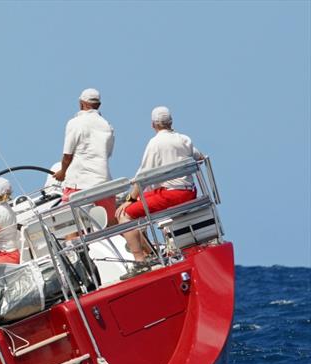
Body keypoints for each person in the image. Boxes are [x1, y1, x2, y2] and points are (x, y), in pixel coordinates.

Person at [116, 106, 203, 264]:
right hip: (189, 192)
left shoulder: (154, 143)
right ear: (171, 122)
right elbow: (200, 157)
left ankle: (141, 260)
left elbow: (142, 177)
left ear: (153, 125)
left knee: (125, 215)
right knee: (142, 204)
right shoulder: (184, 139)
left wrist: (130, 199)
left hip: (171, 195)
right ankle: (152, 251)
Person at [53, 88, 116, 226]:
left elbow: (67, 155)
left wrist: (62, 172)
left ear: (82, 103)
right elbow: (107, 153)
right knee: (111, 225)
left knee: (69, 225)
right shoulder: (107, 126)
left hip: (79, 183)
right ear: (98, 105)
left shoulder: (75, 122)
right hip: (103, 182)